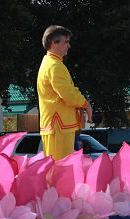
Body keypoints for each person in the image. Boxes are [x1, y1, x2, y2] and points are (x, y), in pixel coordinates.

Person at [37, 25, 93, 161]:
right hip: (58, 127)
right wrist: (86, 104)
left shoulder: (52, 63)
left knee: (59, 170)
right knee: (60, 171)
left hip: (57, 126)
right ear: (53, 43)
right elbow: (68, 94)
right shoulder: (55, 65)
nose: (69, 46)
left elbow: (68, 92)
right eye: (66, 42)